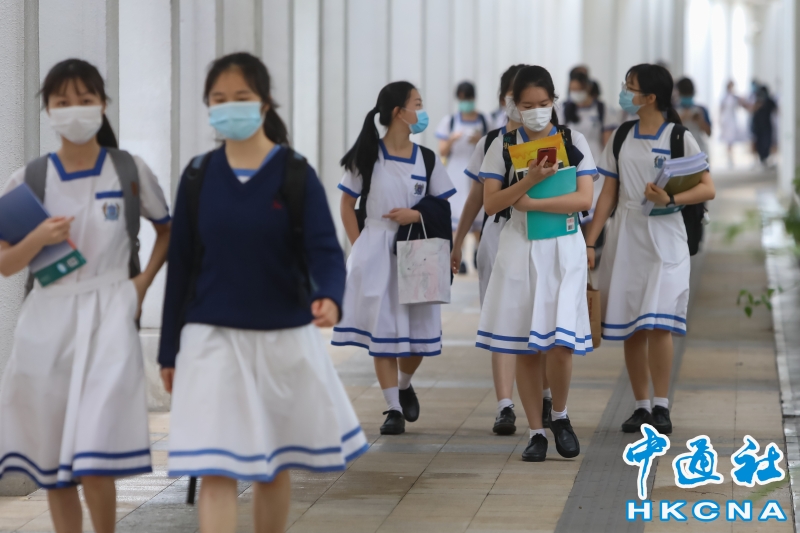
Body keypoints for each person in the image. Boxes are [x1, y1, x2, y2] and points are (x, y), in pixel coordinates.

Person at [158, 52, 366, 533]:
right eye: (219, 99)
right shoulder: (198, 176)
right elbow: (181, 268)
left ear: (265, 103)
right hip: (211, 340)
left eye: (241, 97)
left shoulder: (294, 173)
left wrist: (330, 296)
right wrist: (168, 351)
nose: (229, 106)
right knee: (215, 466)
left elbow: (324, 250)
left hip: (282, 341)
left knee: (273, 465)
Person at [0, 59, 171, 533]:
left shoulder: (129, 170)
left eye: (85, 99)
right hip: (46, 320)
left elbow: (166, 229)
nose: (74, 109)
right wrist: (39, 238)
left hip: (109, 315)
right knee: (54, 462)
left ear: (103, 105)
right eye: (62, 101)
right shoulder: (28, 179)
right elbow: (6, 263)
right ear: (48, 111)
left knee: (96, 455)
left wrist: (142, 284)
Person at [585, 64, 716, 436]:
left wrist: (669, 198)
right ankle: (641, 405)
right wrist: (590, 241)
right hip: (627, 236)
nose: (625, 93)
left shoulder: (679, 137)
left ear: (651, 97)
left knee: (659, 323)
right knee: (632, 326)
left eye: (630, 87)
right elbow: (608, 194)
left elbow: (707, 187)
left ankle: (661, 405)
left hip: (666, 236)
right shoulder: (621, 136)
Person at [476, 65, 597, 462]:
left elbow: (584, 199)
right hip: (519, 249)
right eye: (527, 105)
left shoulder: (572, 140)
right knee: (526, 345)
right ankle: (536, 431)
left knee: (561, 343)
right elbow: (491, 203)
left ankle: (559, 415)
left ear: (554, 101)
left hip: (563, 248)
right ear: (514, 105)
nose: (536, 112)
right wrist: (527, 182)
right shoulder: (502, 144)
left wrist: (531, 203)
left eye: (544, 103)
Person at [333, 81, 455, 436]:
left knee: (419, 335)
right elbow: (346, 203)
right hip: (376, 251)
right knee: (382, 331)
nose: (421, 110)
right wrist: (360, 246)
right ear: (399, 112)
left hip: (417, 251)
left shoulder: (426, 158)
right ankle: (392, 408)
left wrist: (416, 215)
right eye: (417, 103)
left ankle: (403, 384)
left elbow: (442, 207)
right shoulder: (367, 156)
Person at [454, 64, 542, 436]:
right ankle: (505, 404)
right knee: (502, 317)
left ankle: (544, 395)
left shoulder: (553, 138)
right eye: (514, 98)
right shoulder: (490, 142)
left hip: (540, 234)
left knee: (539, 315)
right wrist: (458, 241)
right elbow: (476, 198)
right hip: (497, 235)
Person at [435, 81, 489, 238]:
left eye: (468, 99)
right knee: (456, 222)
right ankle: (457, 252)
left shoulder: (484, 120)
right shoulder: (450, 121)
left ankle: (479, 253)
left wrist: (480, 140)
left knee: (479, 223)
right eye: (462, 99)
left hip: (479, 173)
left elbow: (494, 146)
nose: (465, 103)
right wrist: (452, 139)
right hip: (456, 175)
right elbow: (442, 151)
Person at [675, 77, 712, 155]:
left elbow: (709, 133)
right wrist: (682, 117)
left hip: (699, 149)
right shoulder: (673, 109)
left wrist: (700, 121)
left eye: (689, 93)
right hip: (680, 150)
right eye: (685, 93)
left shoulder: (701, 109)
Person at [746, 85, 778, 165]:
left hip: (765, 125)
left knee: (766, 143)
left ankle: (765, 158)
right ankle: (762, 158)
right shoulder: (757, 101)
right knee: (760, 143)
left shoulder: (769, 101)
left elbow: (776, 110)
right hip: (759, 126)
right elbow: (751, 109)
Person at [719, 81, 745, 167]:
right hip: (727, 120)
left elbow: (741, 105)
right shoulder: (724, 98)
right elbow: (721, 109)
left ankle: (731, 158)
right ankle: (729, 158)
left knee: (732, 140)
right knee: (728, 140)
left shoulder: (735, 97)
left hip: (733, 120)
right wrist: (720, 120)